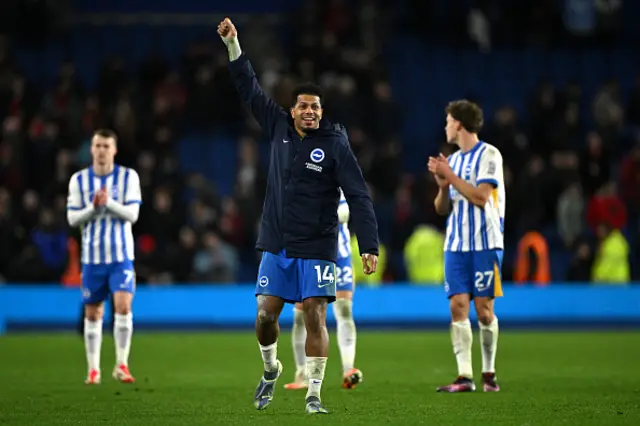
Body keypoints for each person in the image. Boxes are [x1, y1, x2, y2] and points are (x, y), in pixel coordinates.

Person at [218, 18, 379, 414]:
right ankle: (271, 369)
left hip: (319, 243)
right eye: (304, 106)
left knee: (315, 315)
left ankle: (314, 394)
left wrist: (369, 245)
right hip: (278, 240)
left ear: (322, 112)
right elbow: (248, 88)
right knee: (264, 315)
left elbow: (358, 194)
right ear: (292, 110)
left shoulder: (335, 144)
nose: (310, 112)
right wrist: (234, 44)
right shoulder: (276, 126)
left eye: (316, 107)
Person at [428, 100, 504, 393]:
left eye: (448, 121)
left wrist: (450, 176)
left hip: (485, 243)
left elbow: (481, 197)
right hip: (456, 244)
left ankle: (489, 373)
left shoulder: (489, 155)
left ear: (458, 123)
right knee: (457, 306)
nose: (446, 126)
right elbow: (440, 208)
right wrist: (443, 186)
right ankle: (464, 377)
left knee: (484, 311)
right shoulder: (454, 161)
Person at [66, 129, 142, 385]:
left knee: (123, 306)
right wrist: (93, 207)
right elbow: (72, 218)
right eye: (97, 145)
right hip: (92, 258)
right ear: (91, 149)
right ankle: (93, 369)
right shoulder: (78, 180)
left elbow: (133, 215)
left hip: (121, 257)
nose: (101, 150)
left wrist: (108, 203)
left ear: (114, 150)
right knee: (93, 313)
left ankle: (121, 364)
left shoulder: (128, 177)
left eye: (106, 146)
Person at [285, 189, 362, 391]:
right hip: (310, 255)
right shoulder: (301, 180)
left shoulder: (338, 182)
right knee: (303, 314)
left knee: (344, 308)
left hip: (340, 254)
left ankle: (348, 369)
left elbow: (345, 213)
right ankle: (302, 373)